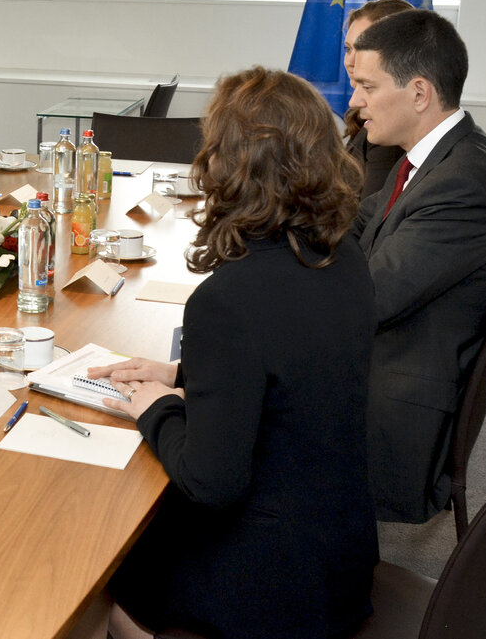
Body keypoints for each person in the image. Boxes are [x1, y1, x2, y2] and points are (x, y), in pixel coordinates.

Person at [86, 68, 378, 639]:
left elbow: (210, 483)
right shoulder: (341, 256)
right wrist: (178, 373)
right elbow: (292, 368)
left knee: (99, 581)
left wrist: (155, 406)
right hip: (336, 553)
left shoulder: (229, 300)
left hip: (268, 585)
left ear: (228, 164)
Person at [349, 9, 486, 522]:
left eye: (367, 87)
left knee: (219, 417)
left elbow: (364, 302)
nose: (355, 104)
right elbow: (356, 226)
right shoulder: (433, 157)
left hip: (394, 419)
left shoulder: (463, 184)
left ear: (419, 93)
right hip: (392, 368)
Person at [342, 0, 412, 198]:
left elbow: (370, 218)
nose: (351, 61)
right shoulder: (368, 113)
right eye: (348, 49)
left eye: (364, 50)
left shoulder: (389, 130)